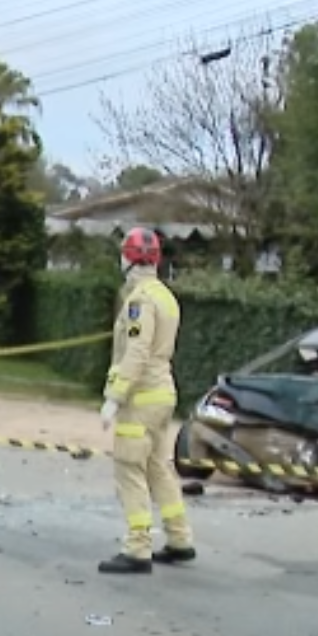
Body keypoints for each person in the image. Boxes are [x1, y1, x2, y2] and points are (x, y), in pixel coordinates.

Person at [98, 226, 196, 575]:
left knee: (130, 469)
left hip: (141, 398)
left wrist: (114, 396)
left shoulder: (139, 300)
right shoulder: (166, 296)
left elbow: (137, 353)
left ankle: (138, 547)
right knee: (158, 468)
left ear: (128, 258)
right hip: (163, 394)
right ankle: (179, 538)